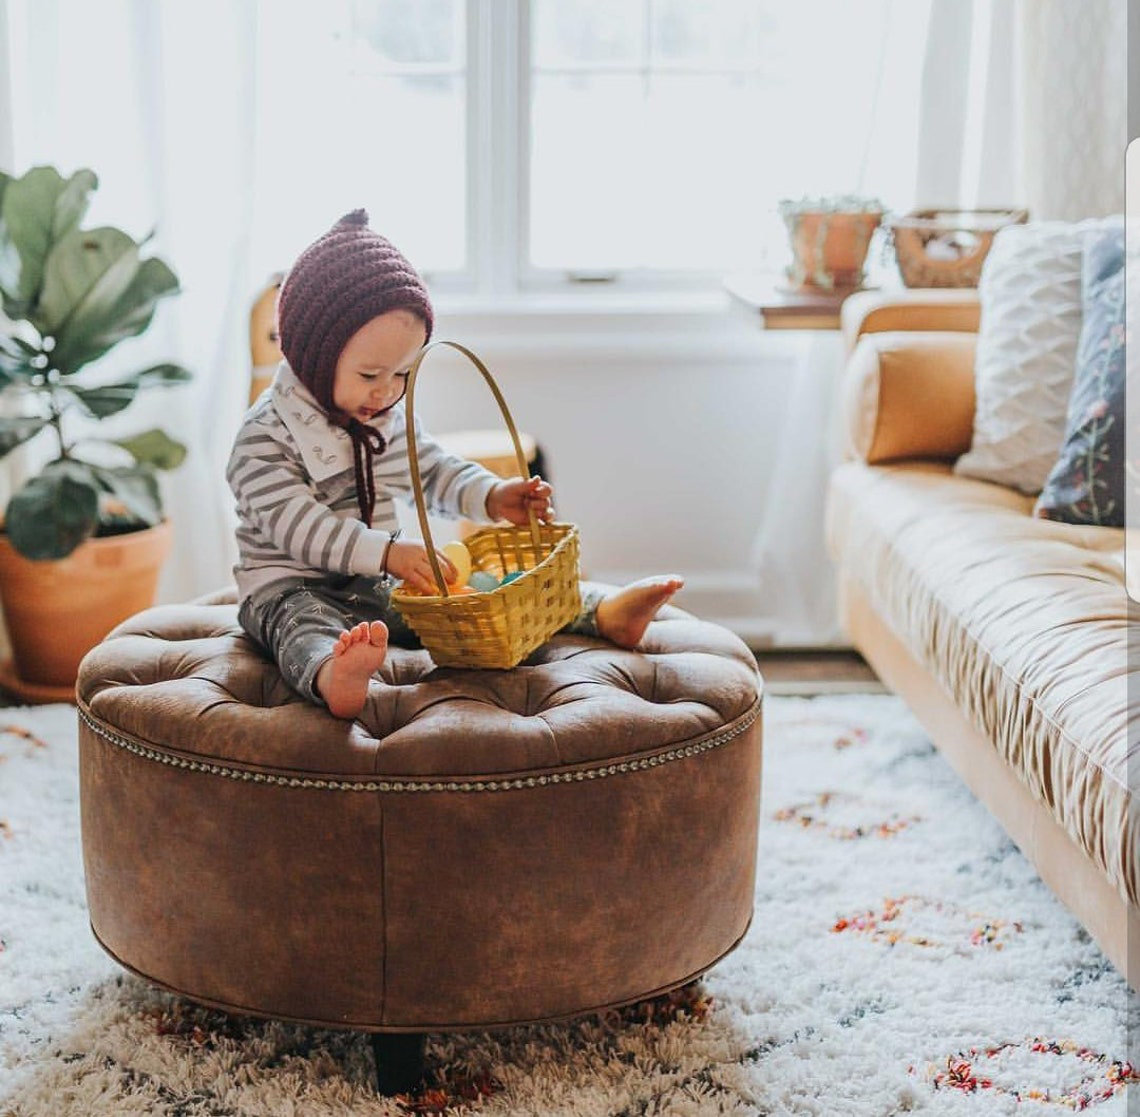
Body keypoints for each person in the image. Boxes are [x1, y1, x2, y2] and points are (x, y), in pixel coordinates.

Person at [227, 209, 683, 719]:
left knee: (479, 596)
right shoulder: (263, 438)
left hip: (376, 585)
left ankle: (600, 609)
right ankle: (333, 673)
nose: (387, 392)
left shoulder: (383, 419)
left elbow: (435, 469)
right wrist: (390, 553)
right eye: (369, 373)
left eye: (403, 373)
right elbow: (299, 529)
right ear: (313, 356)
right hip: (290, 586)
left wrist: (492, 495)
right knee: (301, 624)